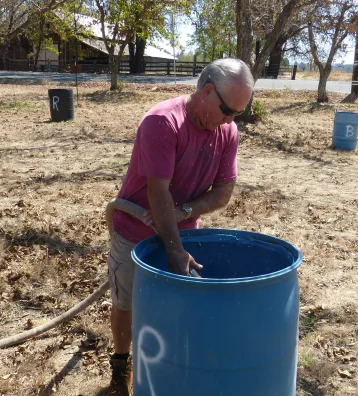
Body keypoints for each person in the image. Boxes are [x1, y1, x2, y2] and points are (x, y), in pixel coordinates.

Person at [106, 58, 254, 395]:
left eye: (238, 114)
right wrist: (174, 250)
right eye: (228, 109)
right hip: (134, 231)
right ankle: (120, 368)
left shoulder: (227, 131)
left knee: (175, 312)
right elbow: (157, 192)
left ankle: (169, 368)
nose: (231, 120)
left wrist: (185, 210)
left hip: (184, 234)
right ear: (207, 91)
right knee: (126, 302)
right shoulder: (162, 122)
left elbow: (223, 193)